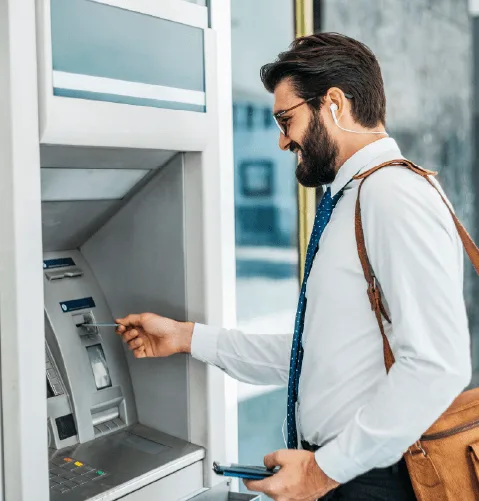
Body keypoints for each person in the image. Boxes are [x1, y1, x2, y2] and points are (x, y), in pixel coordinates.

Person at [116, 33, 472, 501]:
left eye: (287, 120)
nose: (283, 140)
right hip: (352, 476)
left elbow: (438, 365)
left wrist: (323, 471)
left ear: (334, 104)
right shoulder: (354, 198)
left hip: (375, 480)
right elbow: (318, 355)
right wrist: (187, 337)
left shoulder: (392, 196)